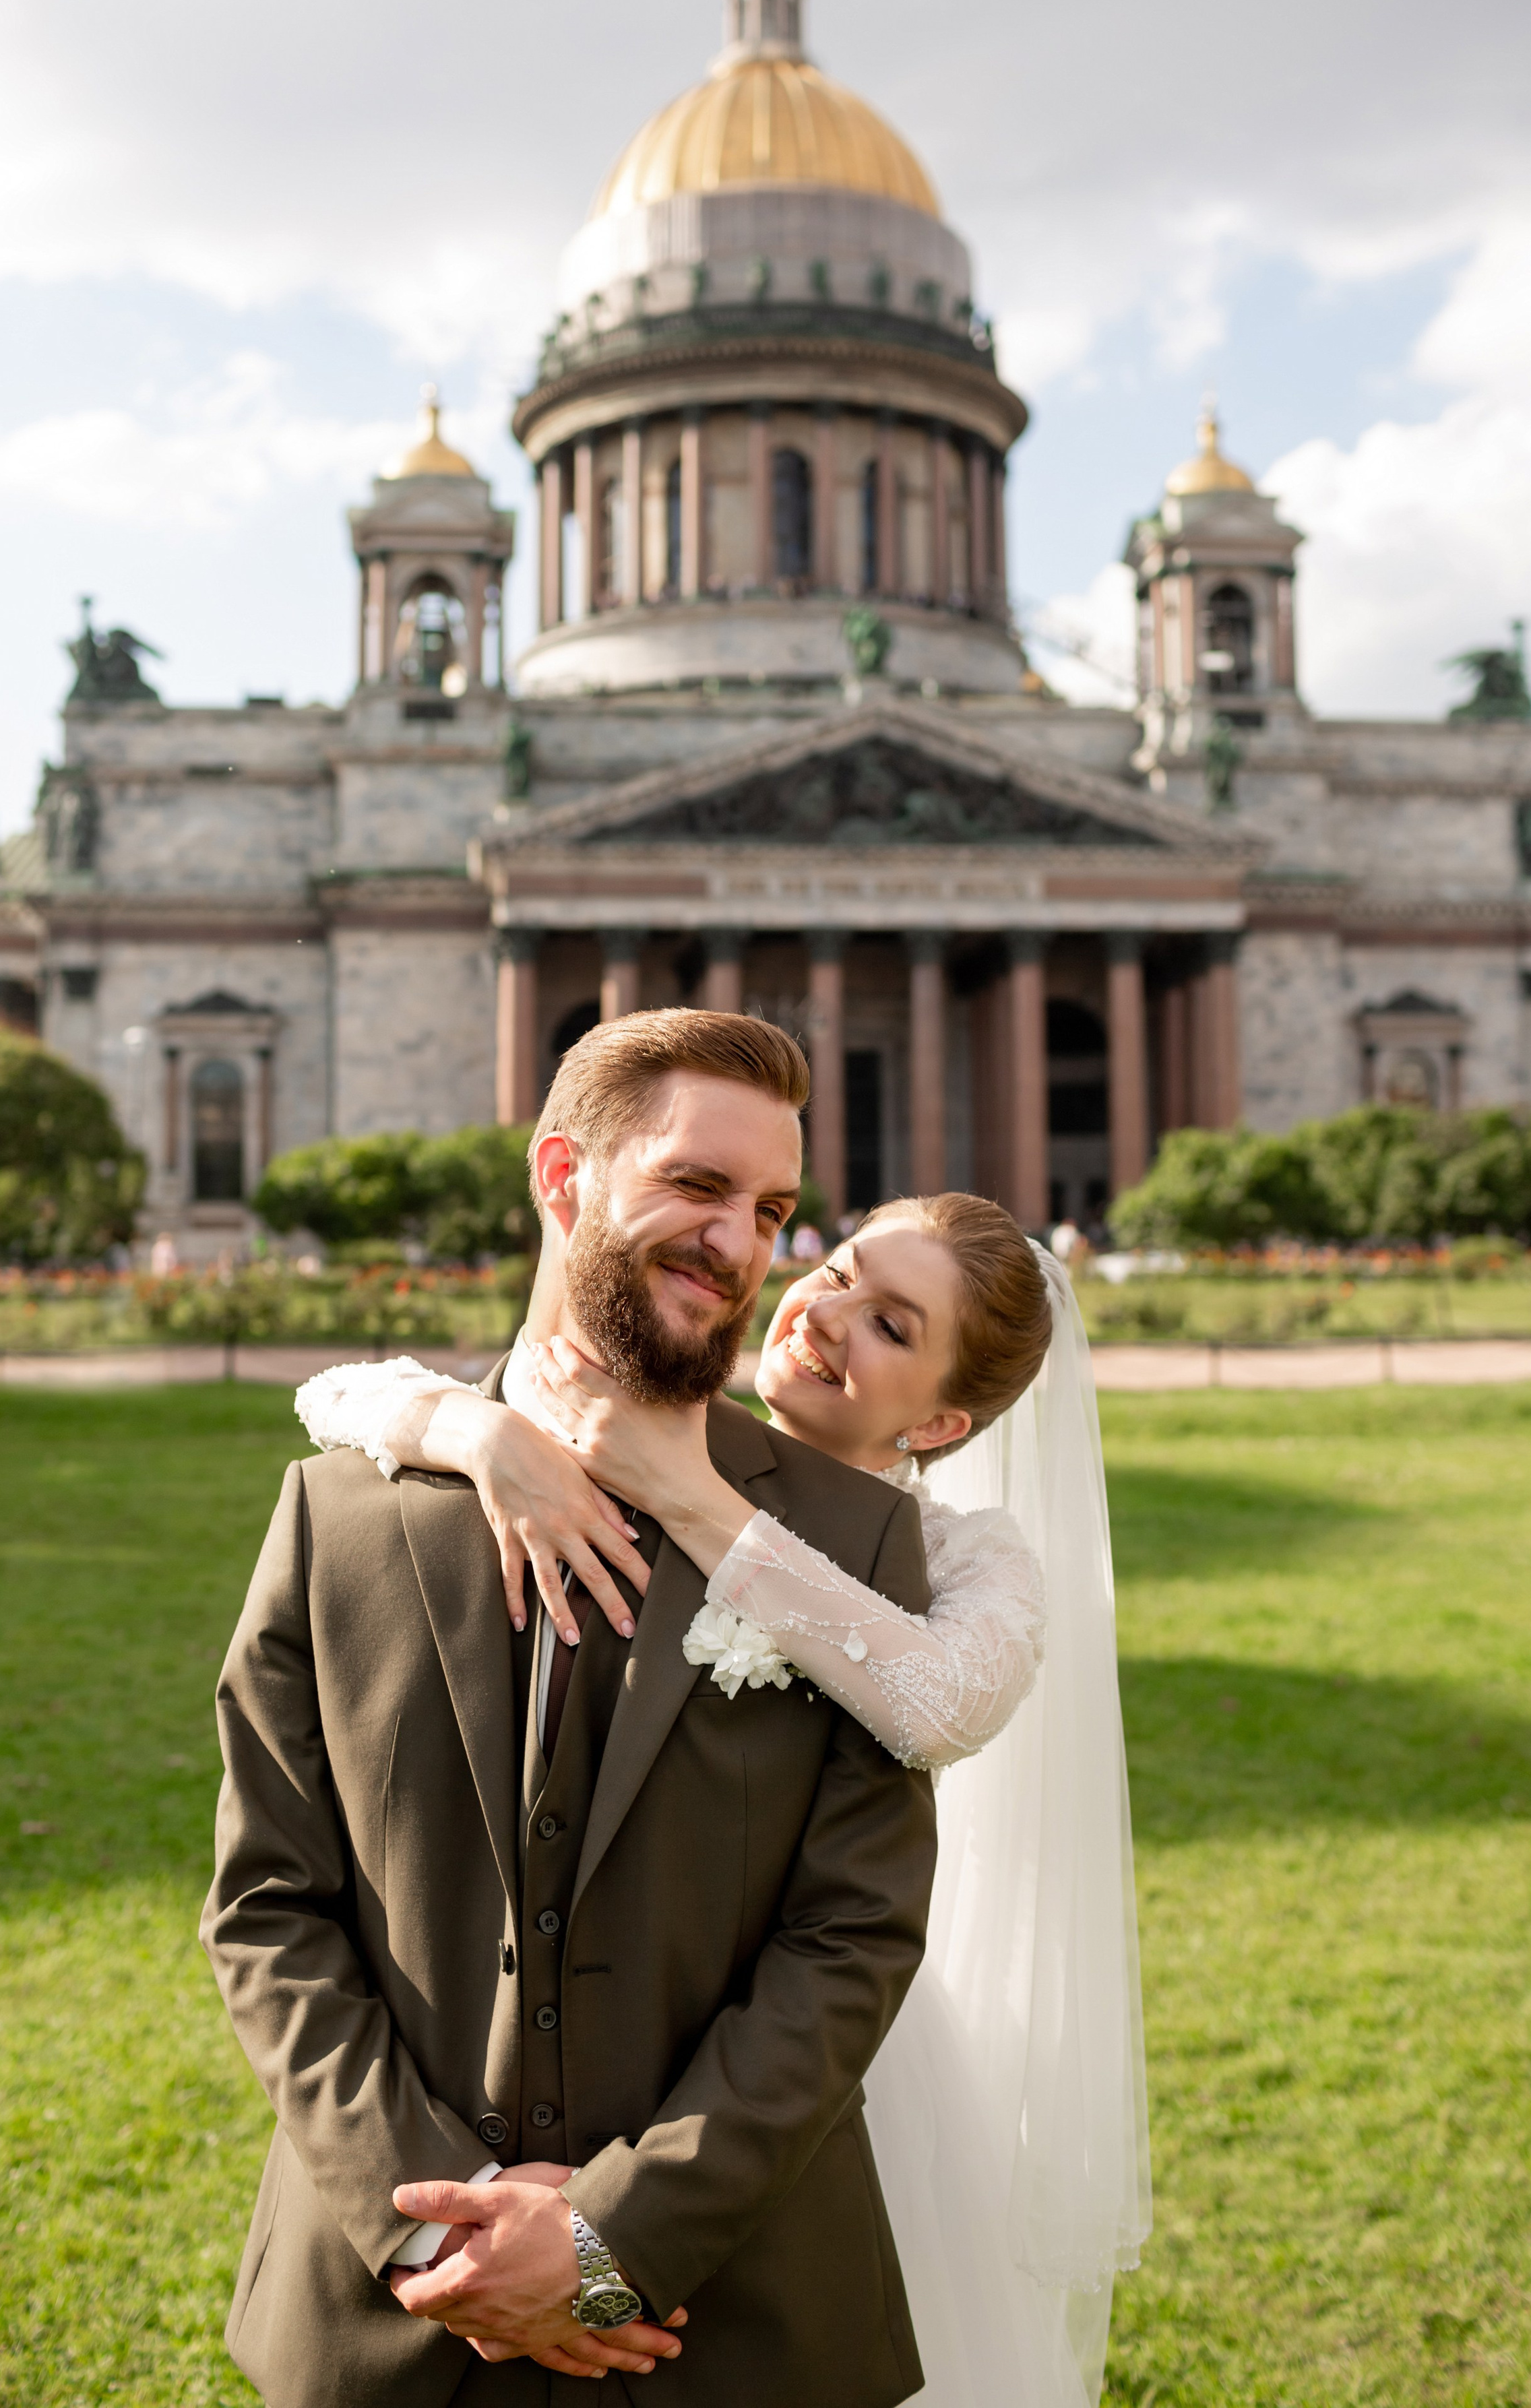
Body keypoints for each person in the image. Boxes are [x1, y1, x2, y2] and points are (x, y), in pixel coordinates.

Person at [301, 1191, 1150, 2403]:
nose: (827, 1314)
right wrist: (472, 1432)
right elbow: (331, 1394)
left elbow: (944, 1704)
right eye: (843, 1270)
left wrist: (699, 1502)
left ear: (946, 1417)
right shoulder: (630, 1429)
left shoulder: (962, 1555)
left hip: (812, 2052)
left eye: (894, 1327)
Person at [203, 1010, 940, 2408]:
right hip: (388, 2319)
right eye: (695, 1186)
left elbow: (849, 1937)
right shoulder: (337, 1515)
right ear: (561, 1178)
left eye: (771, 1209)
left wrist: (614, 2239)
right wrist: (436, 2220)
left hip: (728, 2326)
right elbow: (265, 1909)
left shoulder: (849, 1549)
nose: (738, 1245)